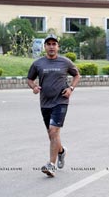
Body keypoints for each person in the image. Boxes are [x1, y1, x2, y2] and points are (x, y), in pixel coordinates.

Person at [27, 34, 80, 177]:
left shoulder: (65, 62)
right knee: (52, 135)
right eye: (48, 44)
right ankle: (61, 151)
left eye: (54, 44)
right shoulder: (38, 63)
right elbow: (30, 79)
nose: (51, 46)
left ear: (58, 47)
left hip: (61, 101)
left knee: (53, 131)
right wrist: (34, 87)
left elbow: (77, 75)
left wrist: (71, 89)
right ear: (45, 47)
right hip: (45, 103)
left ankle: (51, 165)